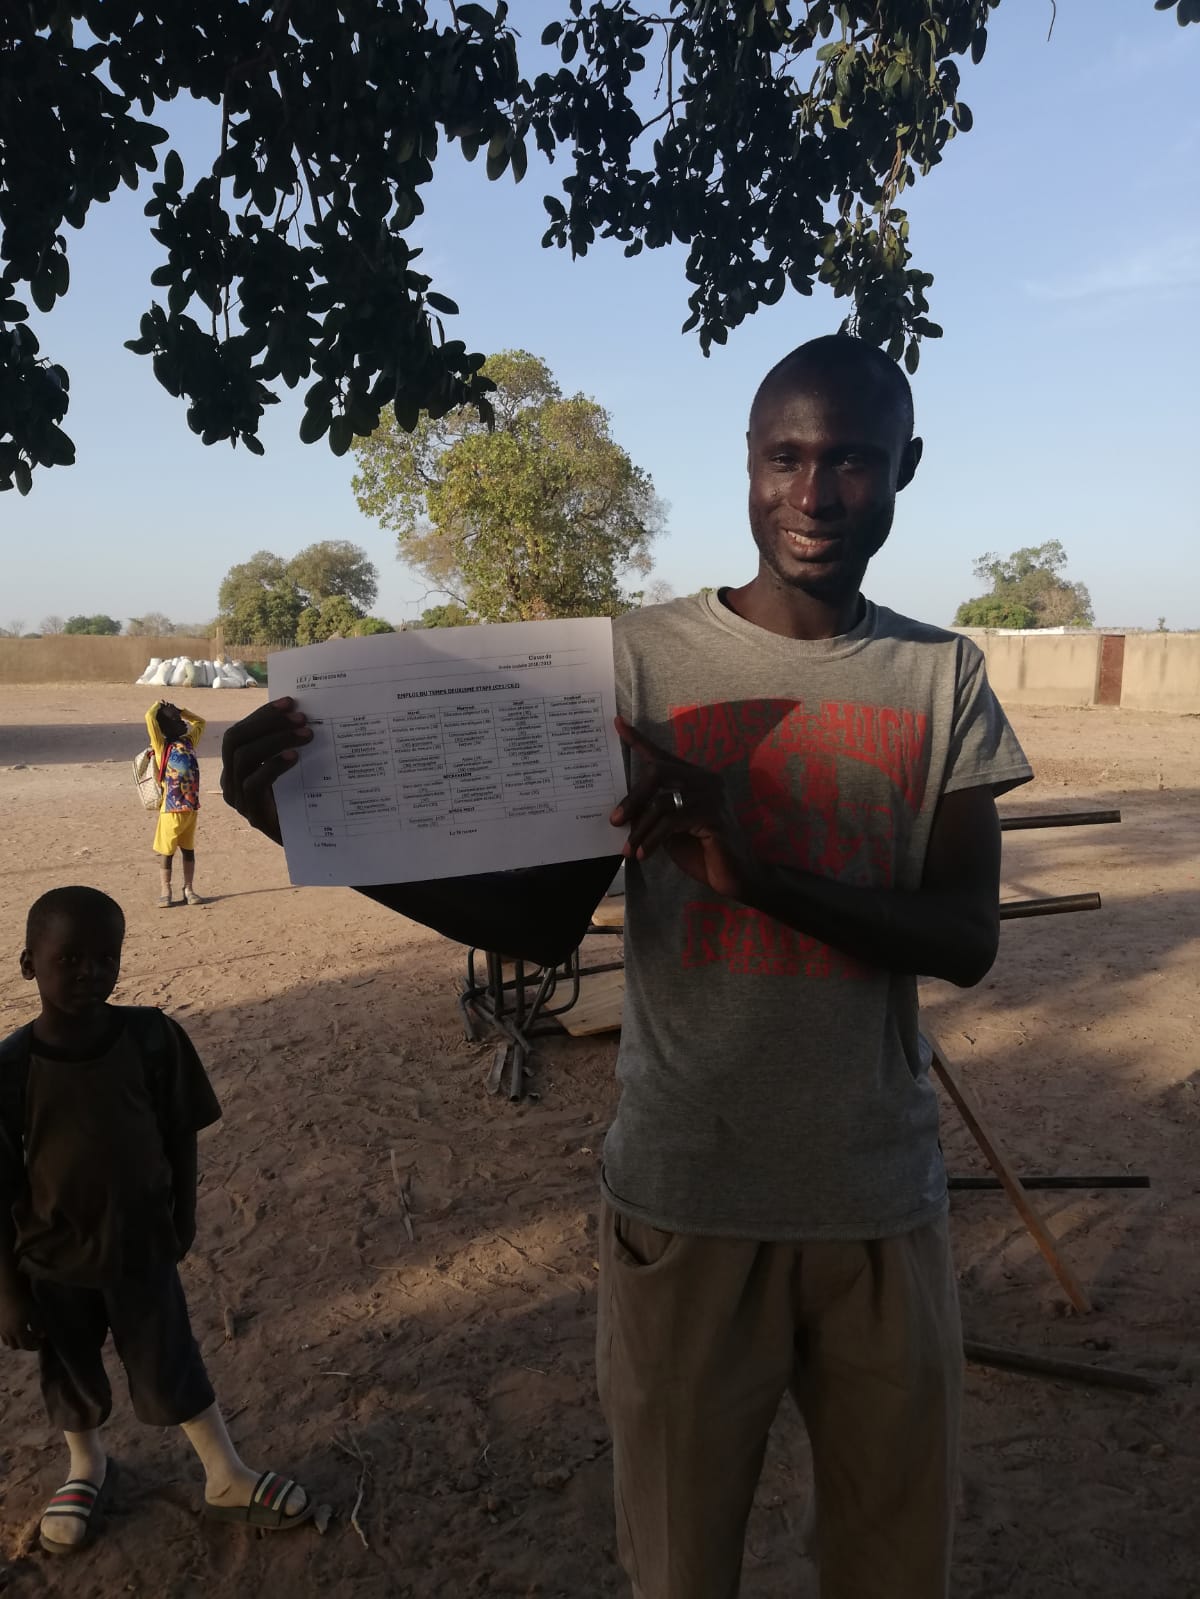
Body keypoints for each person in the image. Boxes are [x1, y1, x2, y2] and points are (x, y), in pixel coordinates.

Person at [219, 334, 1032, 1598]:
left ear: (905, 469)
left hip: (880, 1205)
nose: (815, 494)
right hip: (683, 1198)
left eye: (854, 461)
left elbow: (967, 938)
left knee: (893, 1566)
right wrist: (307, 829)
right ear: (748, 464)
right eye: (786, 458)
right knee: (677, 1566)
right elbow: (535, 914)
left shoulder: (942, 677)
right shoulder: (641, 666)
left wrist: (764, 877)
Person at [0, 886, 313, 1555]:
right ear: (29, 963)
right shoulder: (11, 1068)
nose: (91, 972)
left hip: (140, 1246)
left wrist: (185, 1212)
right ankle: (86, 1466)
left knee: (169, 1357)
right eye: (71, 957)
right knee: (70, 1368)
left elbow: (180, 1130)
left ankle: (225, 1473)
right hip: (52, 1260)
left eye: (106, 957)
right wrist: (7, 1289)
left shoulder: (151, 1036)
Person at [146, 699, 205, 908]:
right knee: (167, 852)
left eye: (181, 720)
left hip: (191, 808)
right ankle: (166, 889)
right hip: (170, 810)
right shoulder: (162, 746)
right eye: (177, 721)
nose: (183, 723)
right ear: (166, 727)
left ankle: (188, 889)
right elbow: (149, 718)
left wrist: (181, 711)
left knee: (188, 850)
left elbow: (201, 723)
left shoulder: (189, 741)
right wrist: (157, 706)